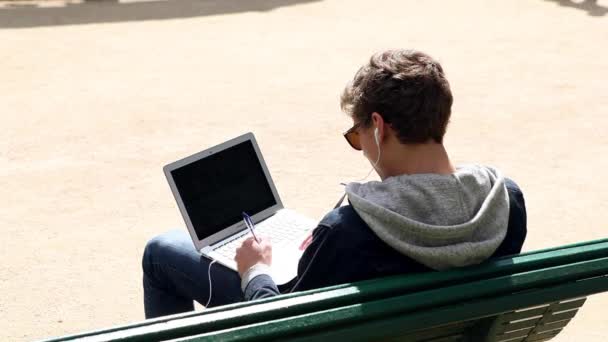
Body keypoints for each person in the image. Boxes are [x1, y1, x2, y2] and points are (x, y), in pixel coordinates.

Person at [142, 49, 527, 318]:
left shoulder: (350, 232)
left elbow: (281, 326)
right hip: (448, 331)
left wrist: (255, 271)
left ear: (378, 127)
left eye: (357, 136)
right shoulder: (505, 201)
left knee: (161, 252)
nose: (360, 148)